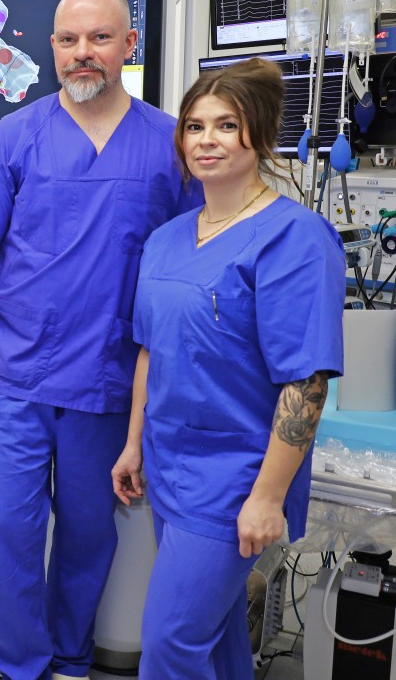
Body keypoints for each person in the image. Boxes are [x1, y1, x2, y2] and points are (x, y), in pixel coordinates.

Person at [0, 0, 198, 680]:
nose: (82, 53)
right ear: (50, 48)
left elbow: (196, 253)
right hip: (16, 379)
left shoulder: (169, 144)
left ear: (128, 45)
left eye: (99, 38)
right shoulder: (15, 136)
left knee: (89, 536)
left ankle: (70, 656)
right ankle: (21, 666)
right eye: (67, 40)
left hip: (109, 382)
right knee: (8, 534)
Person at [111, 58, 344, 679]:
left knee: (169, 643)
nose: (205, 140)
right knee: (213, 639)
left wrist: (267, 497)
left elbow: (307, 381)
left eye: (225, 125)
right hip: (167, 463)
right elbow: (150, 351)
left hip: (235, 474)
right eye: (193, 127)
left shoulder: (294, 238)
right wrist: (134, 443)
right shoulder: (167, 238)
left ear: (260, 137)